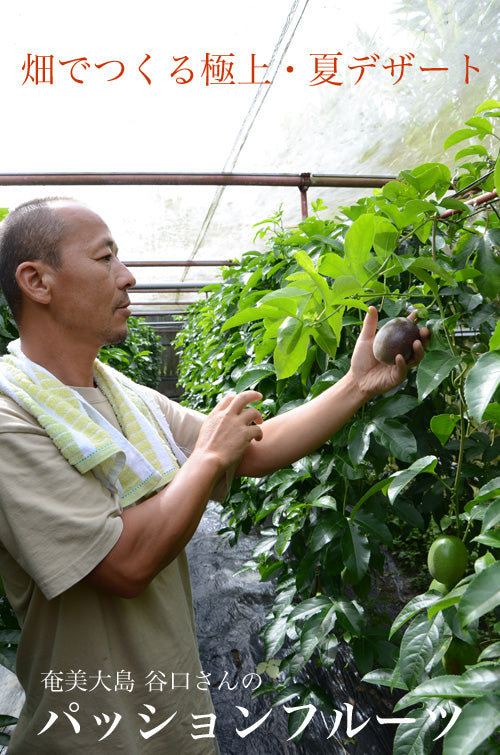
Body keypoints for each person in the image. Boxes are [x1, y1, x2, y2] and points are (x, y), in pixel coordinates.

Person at [0, 197, 428, 754]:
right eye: (106, 258)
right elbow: (125, 564)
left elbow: (250, 449)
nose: (127, 277)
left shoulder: (122, 393)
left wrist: (356, 385)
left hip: (174, 721)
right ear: (37, 281)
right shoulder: (12, 418)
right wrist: (204, 458)